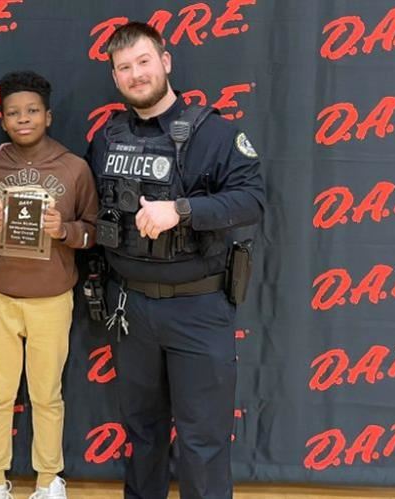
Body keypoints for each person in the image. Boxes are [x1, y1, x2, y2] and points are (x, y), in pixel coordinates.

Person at [85, 22, 265, 499]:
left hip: (197, 308)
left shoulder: (214, 132)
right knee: (142, 434)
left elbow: (252, 201)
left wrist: (182, 210)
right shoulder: (107, 139)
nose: (136, 74)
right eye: (124, 67)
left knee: (202, 441)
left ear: (165, 62)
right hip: (130, 307)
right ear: (115, 77)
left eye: (144, 61)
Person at [0, 71, 98, 499]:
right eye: (13, 113)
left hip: (51, 299)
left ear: (48, 115)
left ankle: (48, 480)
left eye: (31, 111)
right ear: (2, 120)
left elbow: (94, 233)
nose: (23, 119)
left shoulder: (74, 168)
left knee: (47, 394)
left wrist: (64, 230)